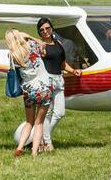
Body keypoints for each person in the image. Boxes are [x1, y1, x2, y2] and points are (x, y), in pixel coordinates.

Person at [5, 29, 53, 157]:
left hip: (28, 90)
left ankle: (20, 147)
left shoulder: (12, 55)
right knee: (39, 123)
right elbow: (43, 44)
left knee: (29, 122)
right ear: (20, 37)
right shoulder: (33, 46)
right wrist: (29, 36)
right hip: (44, 87)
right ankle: (34, 152)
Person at [36, 17, 82, 152]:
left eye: (47, 28)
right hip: (46, 81)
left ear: (52, 29)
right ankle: (48, 143)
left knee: (60, 112)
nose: (45, 31)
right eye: (42, 30)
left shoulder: (58, 44)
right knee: (48, 113)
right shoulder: (40, 46)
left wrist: (73, 71)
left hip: (58, 81)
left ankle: (41, 137)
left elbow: (62, 64)